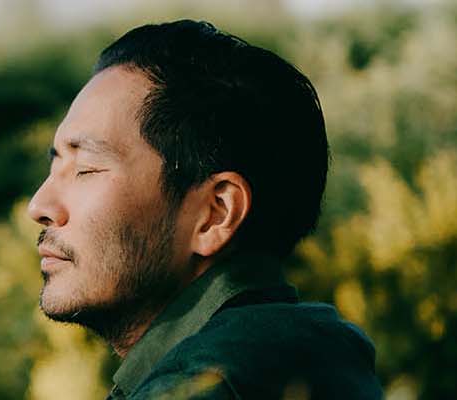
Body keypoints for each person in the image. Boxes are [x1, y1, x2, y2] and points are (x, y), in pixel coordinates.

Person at [26, 19, 381, 399]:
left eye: (86, 169)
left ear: (216, 213)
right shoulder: (313, 353)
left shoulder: (205, 387)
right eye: (55, 165)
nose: (40, 206)